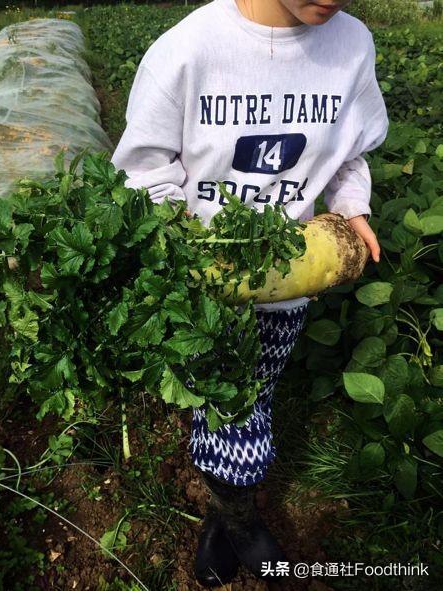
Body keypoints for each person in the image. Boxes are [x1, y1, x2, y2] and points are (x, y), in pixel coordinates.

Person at [111, 0, 388, 586]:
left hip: (286, 291)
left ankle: (230, 512)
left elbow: (350, 154)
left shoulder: (352, 46)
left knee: (250, 397)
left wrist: (350, 207)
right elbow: (143, 173)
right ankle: (234, 515)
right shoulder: (187, 51)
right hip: (198, 300)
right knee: (215, 401)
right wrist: (188, 261)